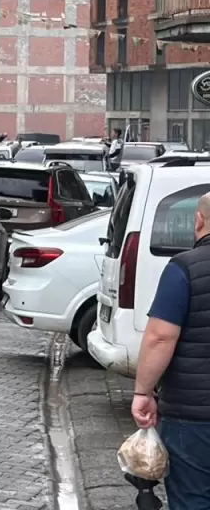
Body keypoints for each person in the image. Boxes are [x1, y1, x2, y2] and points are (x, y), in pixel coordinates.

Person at [131, 190, 210, 508]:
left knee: (194, 499)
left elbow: (159, 338)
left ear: (199, 219)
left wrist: (143, 391)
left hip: (194, 415)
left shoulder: (185, 268)